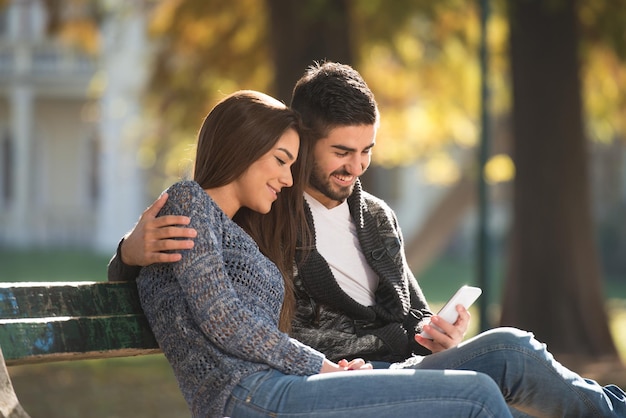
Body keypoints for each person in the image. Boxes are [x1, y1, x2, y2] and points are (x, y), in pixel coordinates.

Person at [109, 65, 626, 417]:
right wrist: (128, 253)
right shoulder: (259, 212)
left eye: (367, 151)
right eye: (341, 151)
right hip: (315, 378)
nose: (355, 167)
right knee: (476, 394)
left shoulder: (376, 216)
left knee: (512, 348)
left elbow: (412, 313)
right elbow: (184, 277)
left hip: (387, 366)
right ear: (298, 142)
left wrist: (436, 332)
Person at [132, 89, 512, 417]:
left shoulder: (236, 230)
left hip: (283, 384)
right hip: (247, 394)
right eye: (281, 161)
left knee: (499, 364)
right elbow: (222, 318)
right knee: (475, 396)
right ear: (242, 149)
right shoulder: (188, 200)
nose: (287, 178)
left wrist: (336, 370)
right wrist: (326, 368)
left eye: (293, 165)